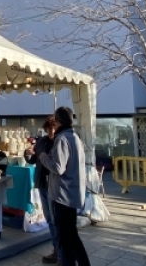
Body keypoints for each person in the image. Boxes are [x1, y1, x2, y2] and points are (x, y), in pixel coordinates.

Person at [39, 107, 90, 266]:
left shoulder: (62, 139)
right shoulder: (74, 137)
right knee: (72, 235)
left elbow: (58, 167)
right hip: (73, 193)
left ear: (58, 120)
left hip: (62, 195)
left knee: (65, 238)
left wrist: (43, 156)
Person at [25, 116, 61, 264]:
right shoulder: (41, 142)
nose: (51, 131)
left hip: (55, 185)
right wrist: (27, 154)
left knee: (55, 218)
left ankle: (60, 250)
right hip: (42, 184)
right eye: (49, 128)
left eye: (54, 128)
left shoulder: (60, 142)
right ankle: (56, 249)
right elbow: (33, 160)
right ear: (46, 129)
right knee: (49, 218)